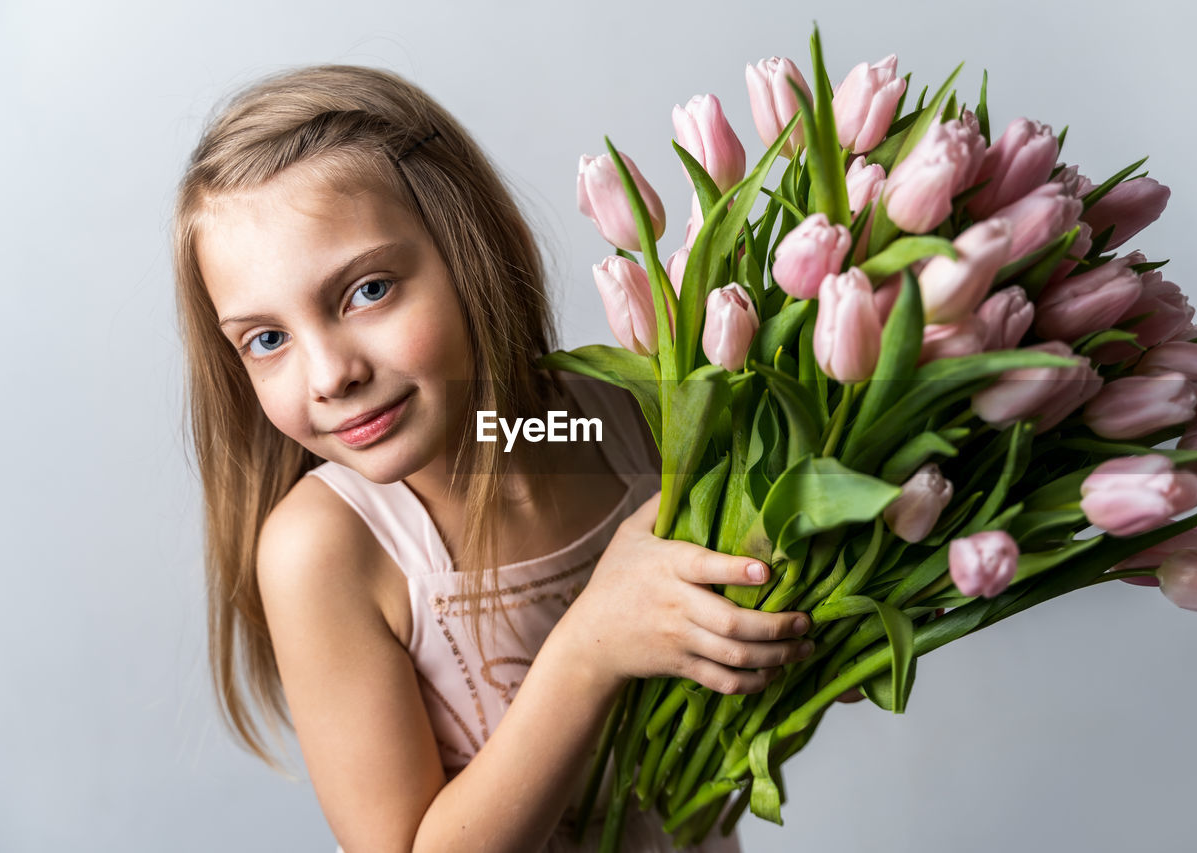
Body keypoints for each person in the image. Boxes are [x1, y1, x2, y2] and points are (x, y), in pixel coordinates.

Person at [172, 64, 826, 852]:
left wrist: (794, 632)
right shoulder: (328, 550)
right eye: (267, 339)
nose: (330, 373)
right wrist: (588, 649)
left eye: (368, 290)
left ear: (477, 248)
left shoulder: (627, 420)